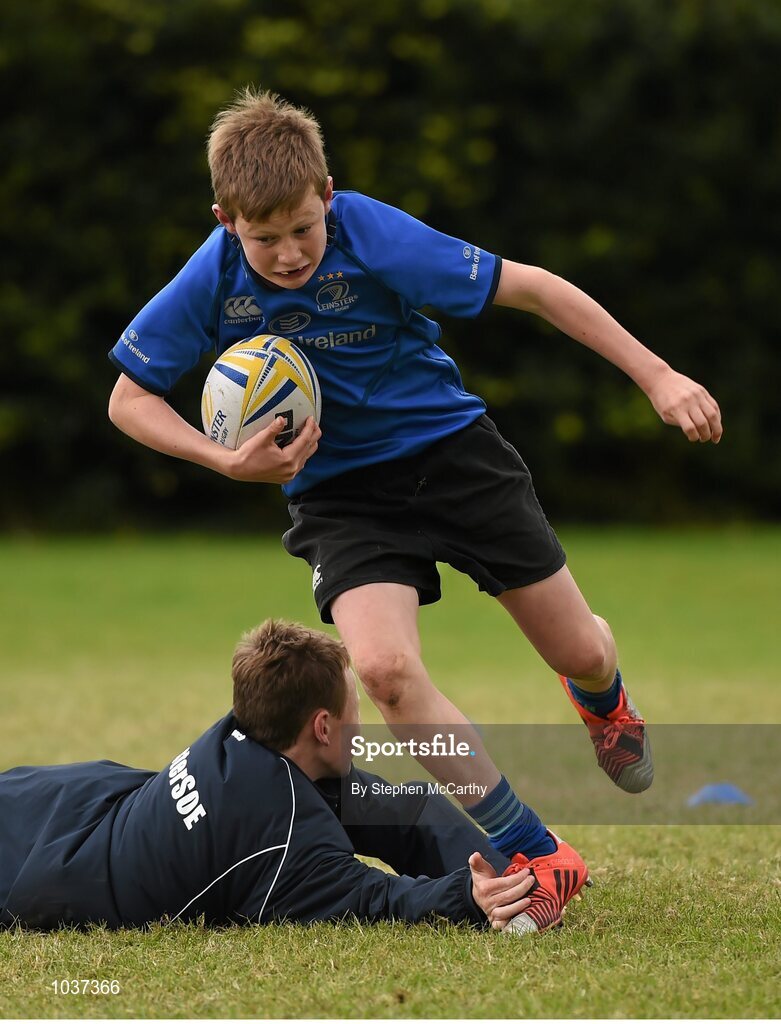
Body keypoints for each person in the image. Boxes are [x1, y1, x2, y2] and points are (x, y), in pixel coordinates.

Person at [107, 88, 720, 927]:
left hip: (453, 461)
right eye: (263, 239)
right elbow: (128, 398)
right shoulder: (209, 279)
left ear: (328, 195)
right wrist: (223, 460)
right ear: (224, 220)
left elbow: (536, 289)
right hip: (341, 497)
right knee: (387, 674)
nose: (288, 256)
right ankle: (532, 850)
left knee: (577, 648)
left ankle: (603, 698)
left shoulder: (374, 235)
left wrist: (658, 375)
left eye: (301, 230)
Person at [0, 620, 550, 933]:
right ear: (322, 727)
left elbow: (402, 809)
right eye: (353, 712)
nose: (361, 727)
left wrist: (517, 871)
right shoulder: (283, 835)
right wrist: (471, 897)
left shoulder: (249, 739)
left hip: (53, 802)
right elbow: (375, 900)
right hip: (41, 866)